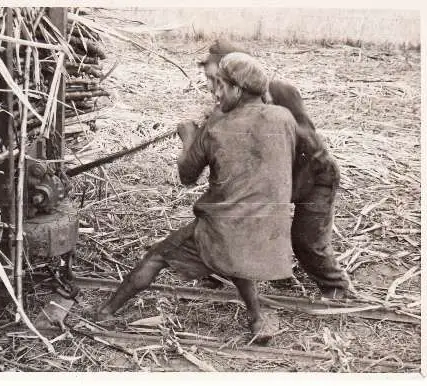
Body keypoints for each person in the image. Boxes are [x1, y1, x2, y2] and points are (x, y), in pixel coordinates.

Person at [96, 53, 297, 343]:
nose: (216, 93)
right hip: (265, 231)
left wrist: (190, 137)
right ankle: (257, 319)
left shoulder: (216, 128)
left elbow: (187, 176)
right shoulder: (283, 118)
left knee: (157, 256)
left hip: (223, 229)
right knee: (234, 255)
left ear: (237, 90)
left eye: (221, 86)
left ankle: (106, 312)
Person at [197, 39, 352, 299]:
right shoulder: (230, 102)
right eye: (212, 81)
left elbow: (305, 137)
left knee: (306, 242)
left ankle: (337, 289)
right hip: (275, 180)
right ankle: (218, 273)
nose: (214, 89)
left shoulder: (278, 91)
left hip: (313, 177)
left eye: (218, 81)